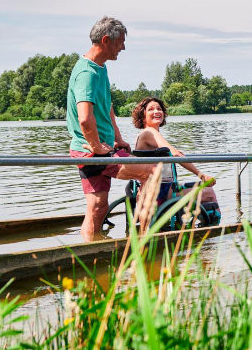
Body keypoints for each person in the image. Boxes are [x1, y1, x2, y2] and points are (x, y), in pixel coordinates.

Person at [67, 16, 159, 241]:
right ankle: (145, 237)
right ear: (106, 40)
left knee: (98, 206)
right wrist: (99, 147)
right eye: (121, 42)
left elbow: (107, 108)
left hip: (94, 146)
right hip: (92, 149)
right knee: (151, 171)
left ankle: (89, 251)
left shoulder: (99, 68)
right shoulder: (86, 74)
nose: (123, 47)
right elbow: (85, 119)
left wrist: (118, 138)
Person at [130, 97, 218, 225]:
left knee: (199, 189)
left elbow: (170, 151)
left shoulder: (149, 134)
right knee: (208, 192)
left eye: (159, 109)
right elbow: (174, 154)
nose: (157, 111)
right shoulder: (149, 133)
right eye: (151, 109)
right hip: (161, 196)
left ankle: (201, 233)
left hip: (159, 192)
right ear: (142, 116)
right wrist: (201, 175)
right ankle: (210, 231)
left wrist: (177, 152)